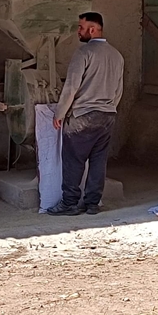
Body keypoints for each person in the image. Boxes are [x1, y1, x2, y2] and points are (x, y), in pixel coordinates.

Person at [47, 12, 124, 216]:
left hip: (82, 115)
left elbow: (71, 86)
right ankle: (92, 203)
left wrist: (59, 113)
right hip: (107, 116)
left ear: (92, 29)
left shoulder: (83, 53)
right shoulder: (117, 55)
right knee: (98, 161)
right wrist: (109, 108)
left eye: (80, 27)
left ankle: (69, 203)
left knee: (74, 160)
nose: (78, 32)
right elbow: (118, 90)